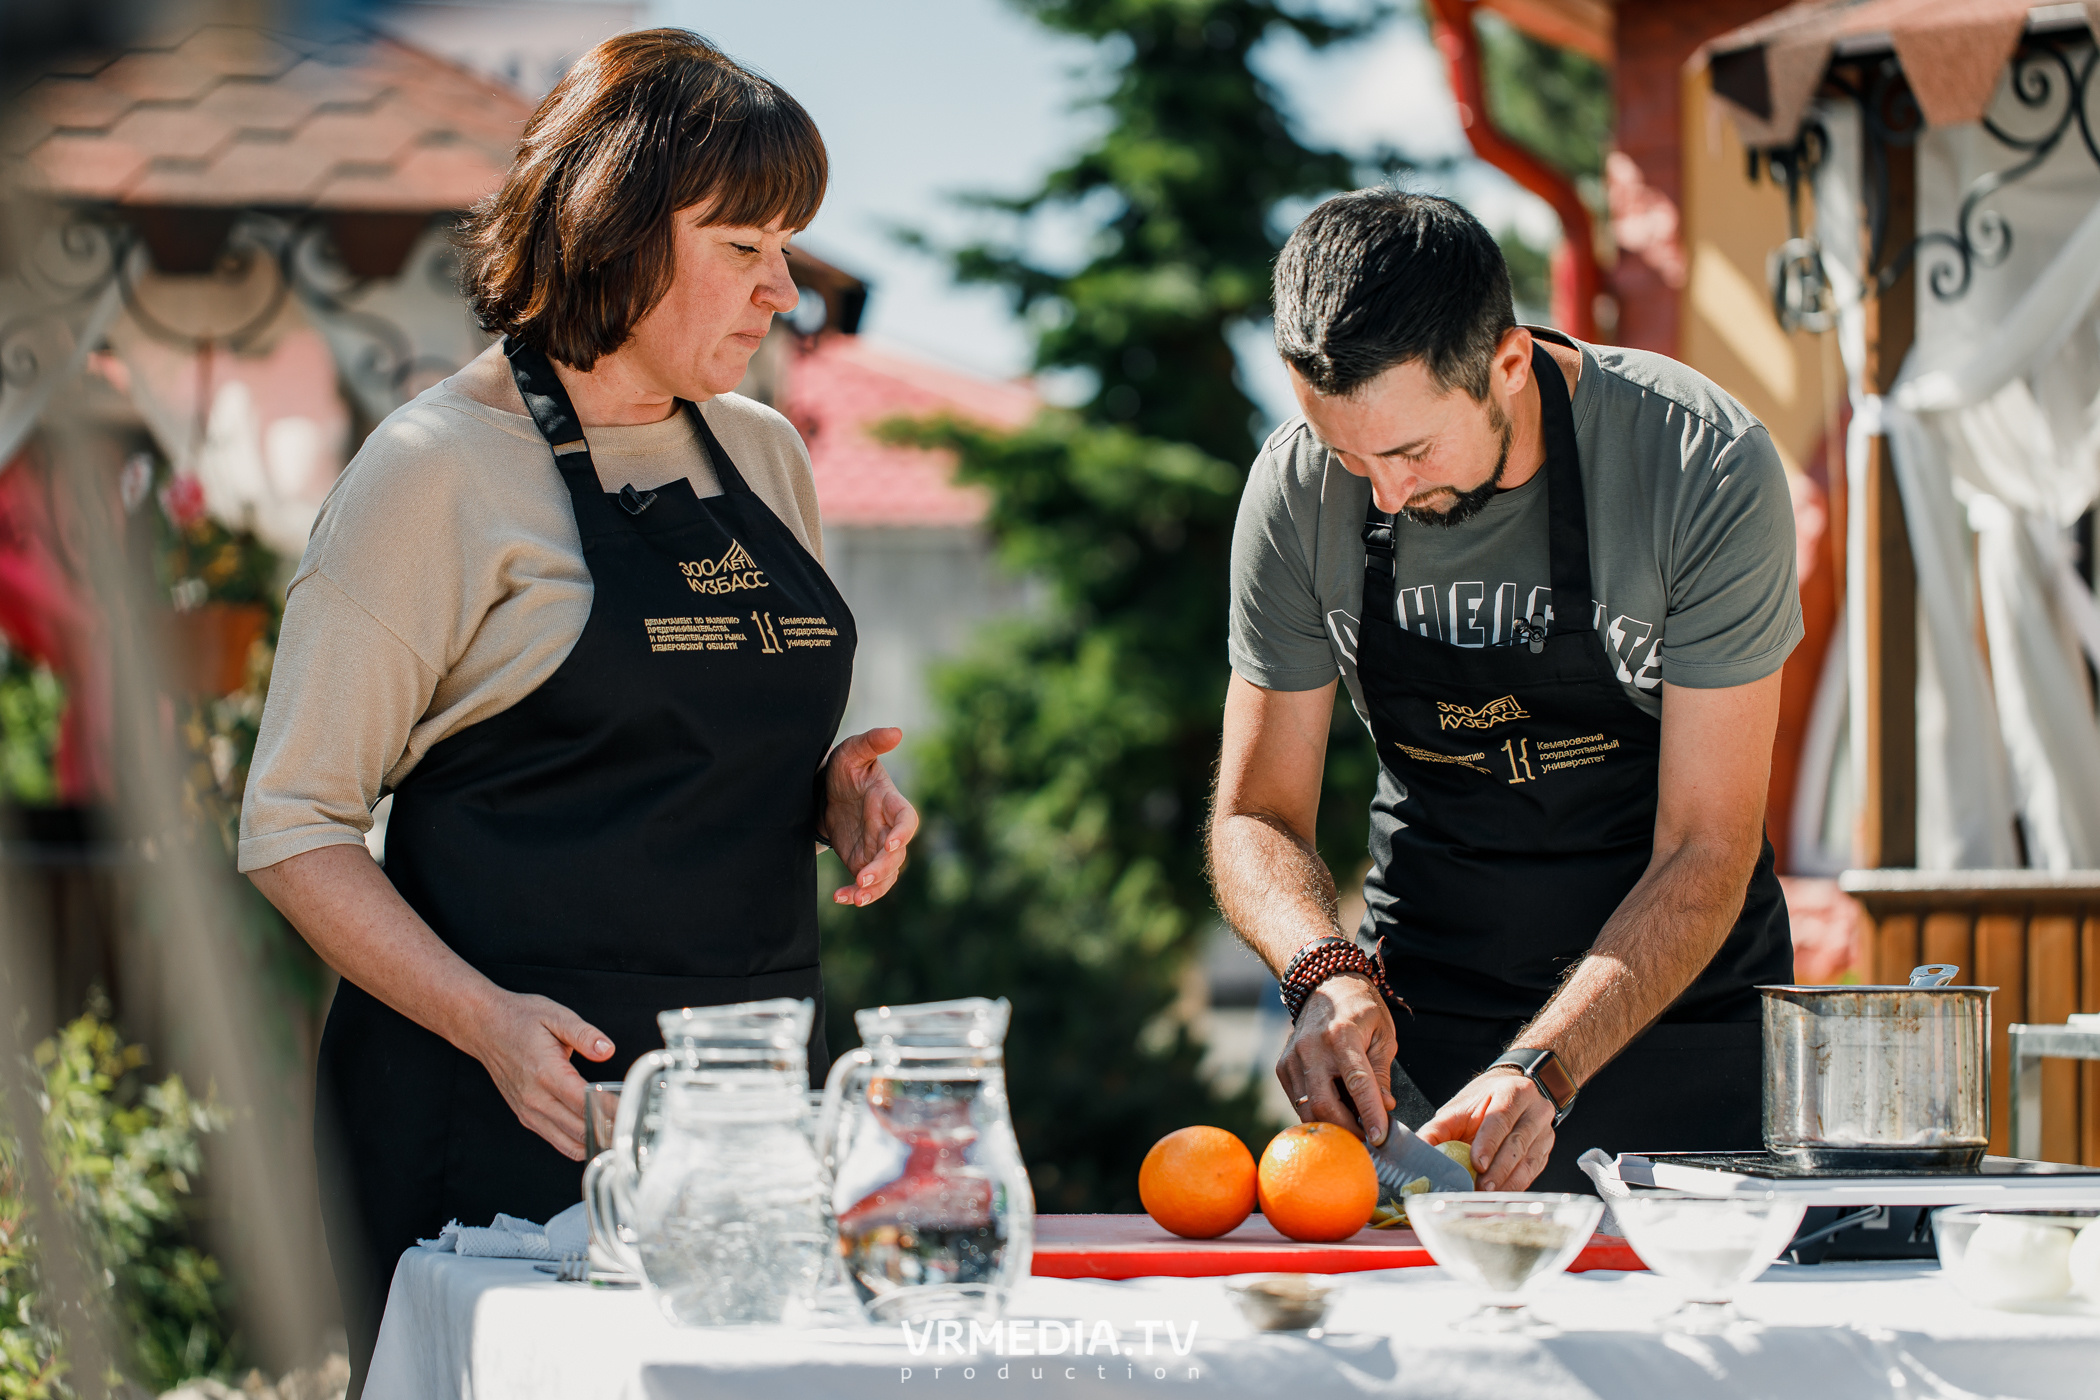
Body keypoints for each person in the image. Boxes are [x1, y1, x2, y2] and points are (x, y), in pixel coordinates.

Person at [239, 31, 916, 1389]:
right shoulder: (435, 471)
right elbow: (292, 827)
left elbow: (698, 739)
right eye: (744, 246)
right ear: (613, 233)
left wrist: (834, 791)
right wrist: (490, 1022)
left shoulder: (765, 454)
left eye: (790, 247)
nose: (783, 290)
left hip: (742, 1120)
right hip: (489, 1121)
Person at [1208, 189, 1798, 1195]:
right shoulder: (1300, 489)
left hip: (1678, 1035)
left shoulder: (1698, 465)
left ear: (1509, 365)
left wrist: (1547, 1061)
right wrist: (1322, 969)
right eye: (1350, 454)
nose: (1381, 493)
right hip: (1426, 1045)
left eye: (1409, 453)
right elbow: (1256, 814)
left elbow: (1707, 846)